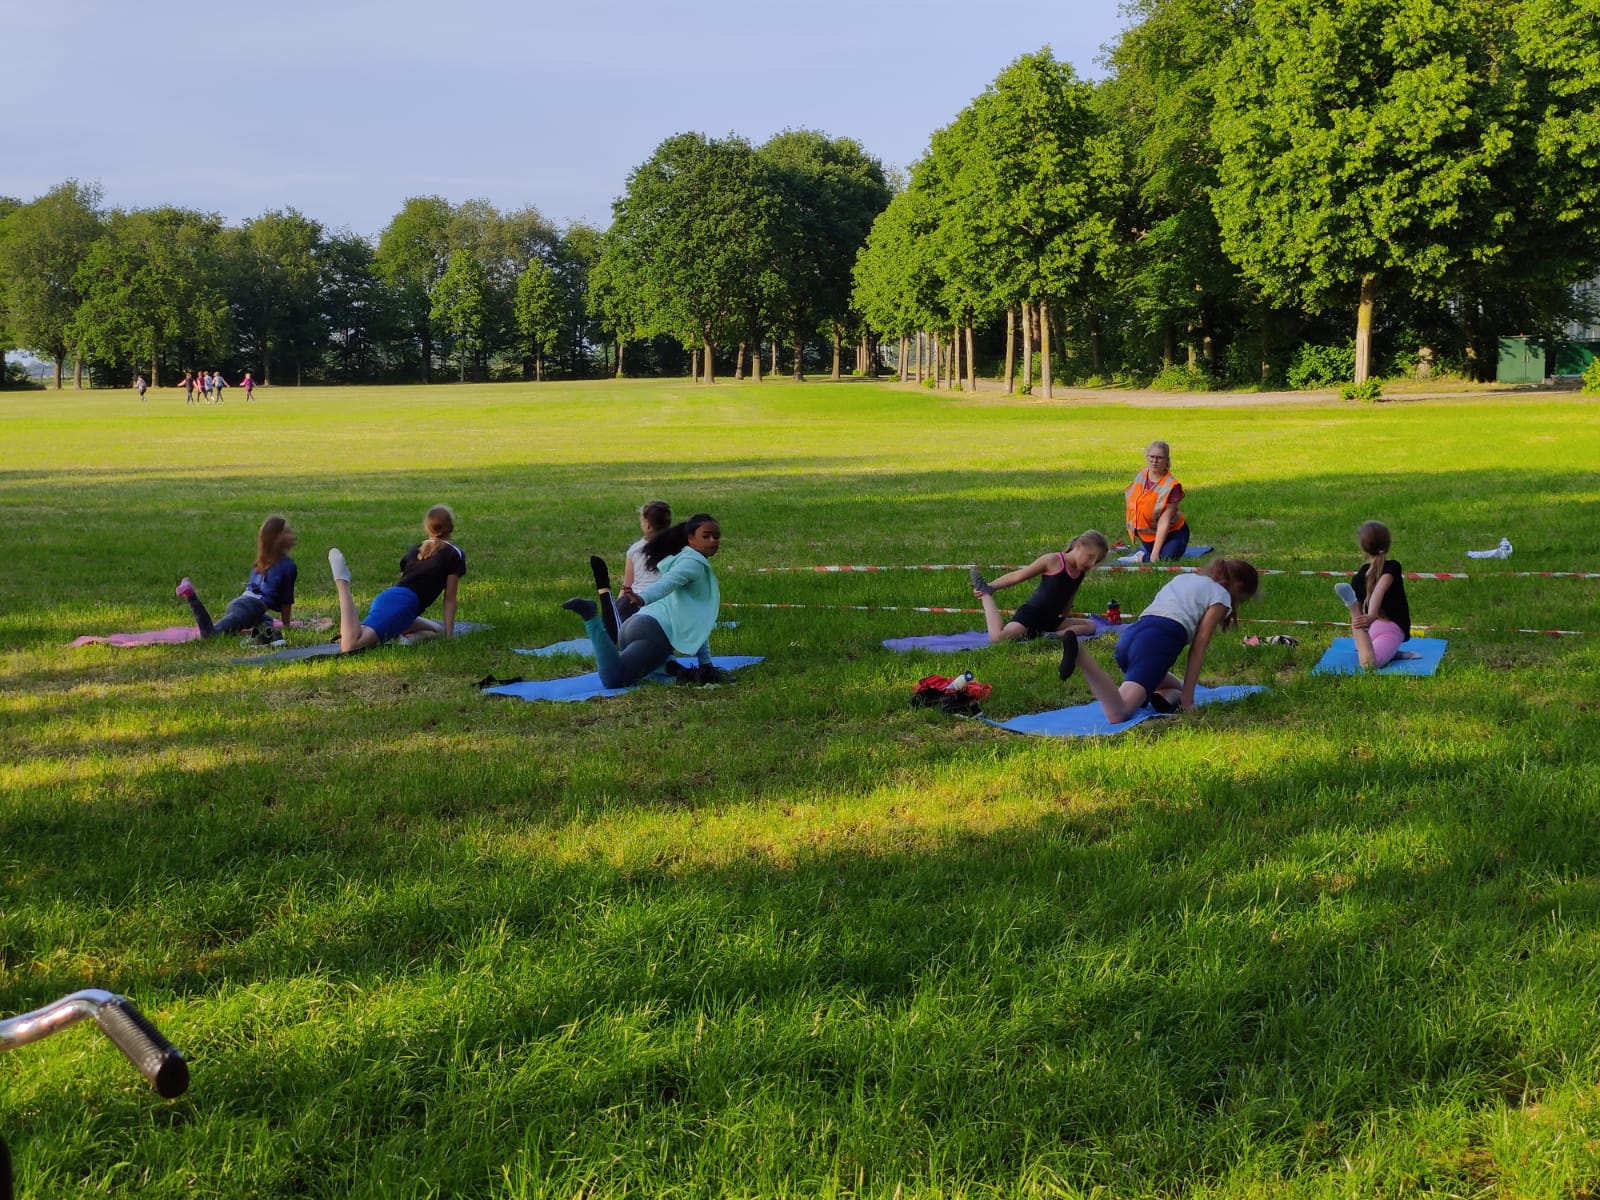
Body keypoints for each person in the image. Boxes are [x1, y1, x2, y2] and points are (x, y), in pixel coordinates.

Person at [1068, 559, 1260, 721]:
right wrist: (1188, 703)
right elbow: (1198, 648)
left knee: (1175, 689)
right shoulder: (1222, 596)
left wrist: (1185, 693)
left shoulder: (1185, 578)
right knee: (1119, 713)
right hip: (1156, 643)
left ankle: (1164, 697)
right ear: (1239, 586)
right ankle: (1081, 655)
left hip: (1133, 635)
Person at [562, 513, 722, 688]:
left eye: (716, 536)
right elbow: (666, 584)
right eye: (706, 536)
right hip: (653, 633)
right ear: (690, 538)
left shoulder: (682, 559)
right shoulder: (692, 564)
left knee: (654, 659)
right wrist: (643, 597)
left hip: (633, 626)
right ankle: (591, 617)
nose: (713, 540)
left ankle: (672, 668)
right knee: (614, 679)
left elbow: (695, 622)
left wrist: (705, 666)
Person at [327, 505, 466, 654]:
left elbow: (406, 579)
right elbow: (449, 599)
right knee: (351, 644)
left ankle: (402, 640)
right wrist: (450, 637)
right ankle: (342, 582)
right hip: (403, 605)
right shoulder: (453, 554)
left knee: (437, 631)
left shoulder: (416, 549)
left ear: (428, 529)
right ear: (451, 527)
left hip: (392, 599)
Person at [968, 530, 1110, 643]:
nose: (1092, 565)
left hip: (1051, 621)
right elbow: (1019, 575)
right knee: (998, 638)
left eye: (1096, 561)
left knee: (1090, 626)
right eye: (1090, 557)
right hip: (1031, 615)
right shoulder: (1053, 560)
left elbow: (1070, 594)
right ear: (1078, 546)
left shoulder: (1080, 572)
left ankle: (1053, 637)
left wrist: (1065, 614)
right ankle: (985, 594)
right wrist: (992, 586)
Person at [176, 516, 299, 646]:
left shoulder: (261, 563)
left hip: (244, 604)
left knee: (266, 620)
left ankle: (259, 632)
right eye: (287, 532)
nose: (293, 534)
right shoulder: (288, 566)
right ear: (277, 540)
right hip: (249, 609)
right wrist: (287, 626)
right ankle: (191, 596)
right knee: (210, 634)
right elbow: (286, 601)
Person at [1333, 520, 1411, 669]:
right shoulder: (1393, 566)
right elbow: (1379, 590)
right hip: (1389, 629)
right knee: (1369, 664)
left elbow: (1377, 591)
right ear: (1388, 544)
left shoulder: (1360, 576)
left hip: (1370, 630)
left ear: (1363, 548)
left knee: (1362, 643)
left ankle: (1354, 610)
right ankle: (1353, 608)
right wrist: (1372, 615)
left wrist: (1369, 618)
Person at [1125, 440, 1191, 561]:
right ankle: (1146, 553)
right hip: (1148, 535)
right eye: (1152, 457)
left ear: (1167, 460)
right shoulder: (1142, 474)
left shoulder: (1172, 486)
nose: (1154, 461)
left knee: (1165, 559)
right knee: (1157, 557)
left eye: (1159, 458)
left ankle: (1142, 557)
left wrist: (1155, 553)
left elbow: (1164, 521)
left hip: (1173, 532)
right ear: (1147, 457)